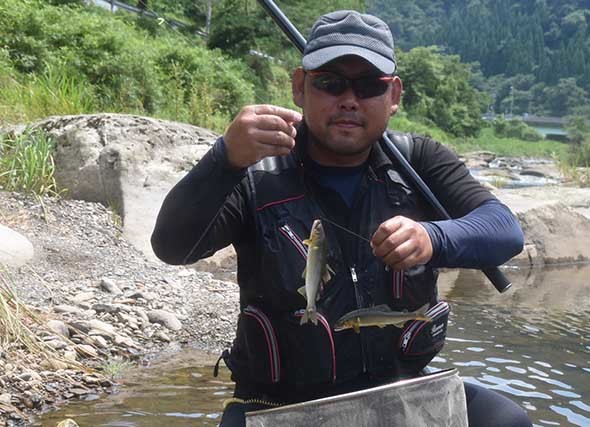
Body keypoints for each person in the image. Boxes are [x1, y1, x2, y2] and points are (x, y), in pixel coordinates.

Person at [151, 9, 531, 427]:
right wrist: (223, 160)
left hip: (400, 390)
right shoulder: (256, 173)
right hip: (279, 405)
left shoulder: (420, 161)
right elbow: (172, 247)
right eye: (330, 83)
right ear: (300, 87)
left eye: (369, 85)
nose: (349, 99)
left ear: (394, 96)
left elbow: (504, 229)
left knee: (504, 419)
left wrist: (432, 236)